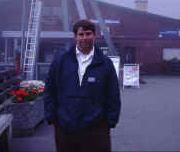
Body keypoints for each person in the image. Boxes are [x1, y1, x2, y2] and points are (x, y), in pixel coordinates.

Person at [43, 19, 121, 152]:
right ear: (75, 37)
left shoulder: (105, 64)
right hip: (65, 128)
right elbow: (49, 90)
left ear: (94, 35)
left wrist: (110, 122)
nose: (84, 37)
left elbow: (113, 94)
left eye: (88, 33)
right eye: (81, 34)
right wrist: (52, 117)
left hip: (97, 129)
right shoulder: (60, 61)